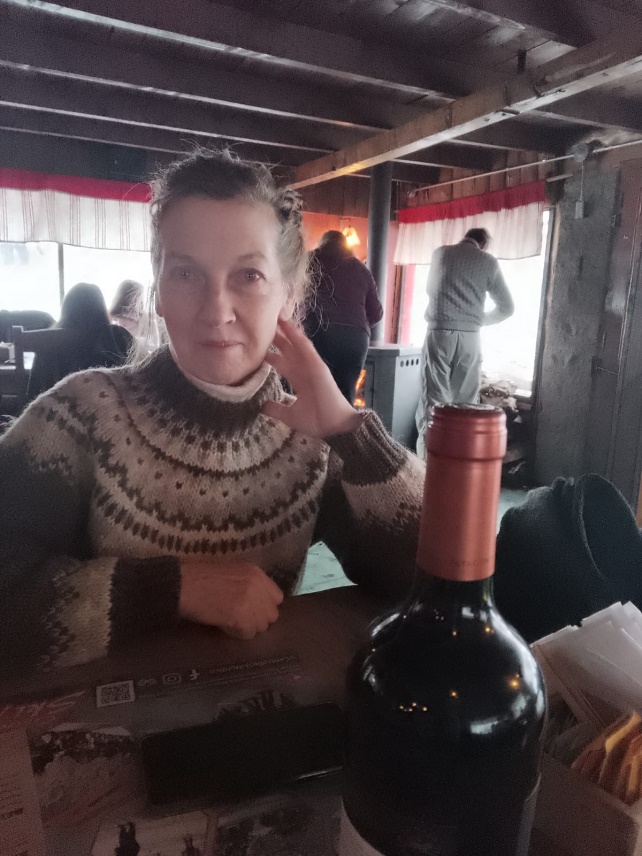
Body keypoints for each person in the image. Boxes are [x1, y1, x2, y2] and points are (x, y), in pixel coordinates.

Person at [0, 149, 424, 677]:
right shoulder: (77, 416)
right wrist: (172, 589)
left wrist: (349, 431)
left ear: (288, 297)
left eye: (248, 275)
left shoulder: (310, 439)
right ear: (157, 291)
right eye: (185, 273)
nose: (216, 310)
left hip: (255, 708)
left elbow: (436, 584)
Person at [415, 228, 514, 458]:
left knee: (434, 403)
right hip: (470, 338)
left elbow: (432, 289)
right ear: (484, 244)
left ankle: (427, 465)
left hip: (439, 333)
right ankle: (458, 462)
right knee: (465, 405)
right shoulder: (488, 261)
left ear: (465, 237)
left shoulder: (440, 253)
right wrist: (478, 320)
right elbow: (507, 307)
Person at [304, 230, 383, 404]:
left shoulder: (309, 261)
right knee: (346, 398)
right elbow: (377, 313)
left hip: (319, 333)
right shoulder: (360, 268)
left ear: (322, 244)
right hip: (355, 340)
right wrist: (358, 325)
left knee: (315, 395)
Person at [26, 282, 133, 402]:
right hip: (110, 408)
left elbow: (33, 393)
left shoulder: (49, 340)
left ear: (66, 309)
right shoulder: (118, 335)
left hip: (57, 408)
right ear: (101, 308)